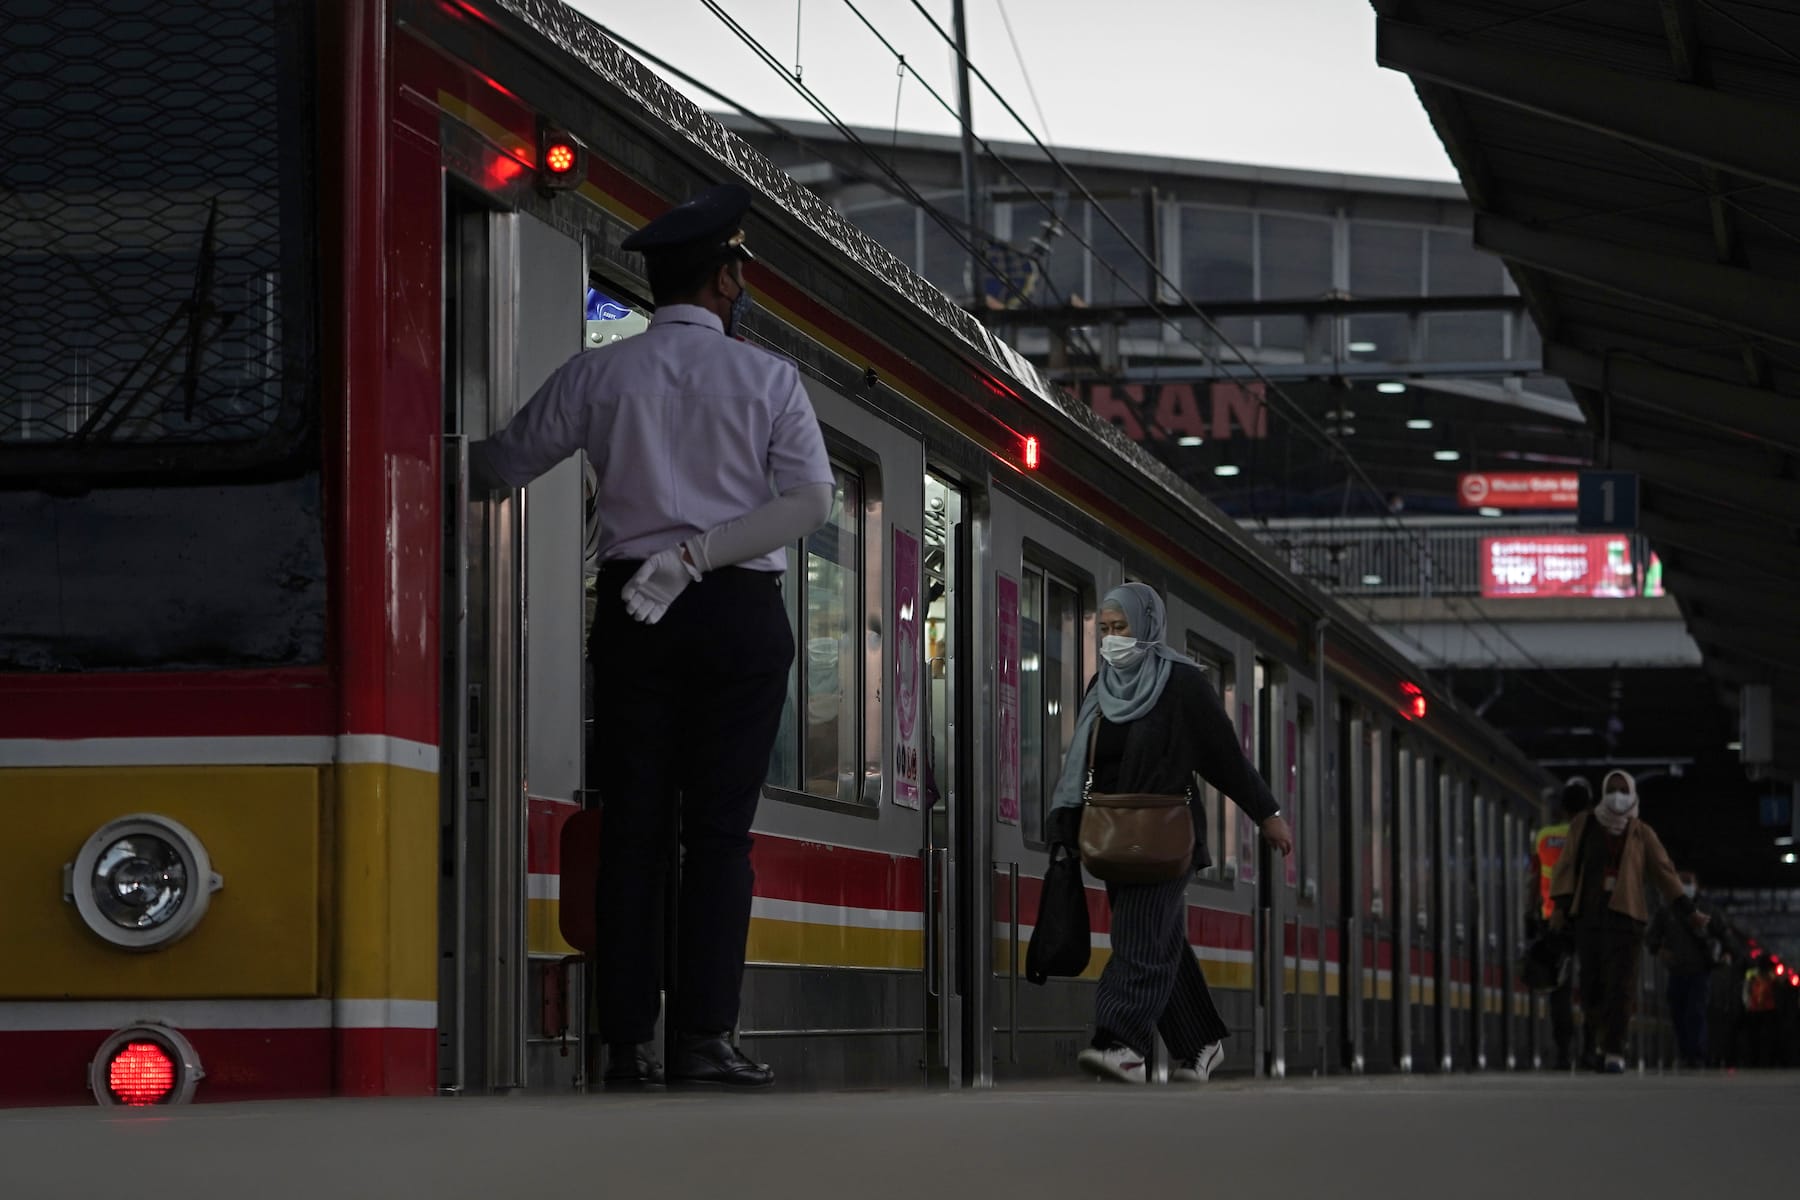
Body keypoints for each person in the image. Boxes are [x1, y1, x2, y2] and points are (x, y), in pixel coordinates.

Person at [472, 184, 835, 1089]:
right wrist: (703, 554)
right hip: (739, 610)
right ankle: (706, 1039)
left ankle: (625, 1042)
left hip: (634, 609)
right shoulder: (768, 380)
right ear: (725, 280)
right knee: (719, 835)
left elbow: (499, 466)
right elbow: (809, 503)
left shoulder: (600, 375)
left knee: (633, 825)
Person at [1045, 583, 1293, 1085]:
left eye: (1122, 628)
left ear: (1148, 625)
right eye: (1106, 630)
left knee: (1137, 936)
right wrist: (1066, 824)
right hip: (1112, 833)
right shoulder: (1103, 684)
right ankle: (1200, 1040)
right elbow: (1082, 761)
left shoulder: (1182, 683)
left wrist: (1267, 812)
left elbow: (1225, 757)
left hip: (1165, 837)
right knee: (1159, 938)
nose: (1112, 639)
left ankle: (1122, 1042)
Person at [1548, 769, 1709, 1074]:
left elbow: (1665, 873)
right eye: (1613, 788)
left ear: (1633, 793)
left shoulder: (1641, 832)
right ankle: (1595, 1042)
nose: (1618, 794)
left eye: (1624, 789)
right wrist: (1560, 907)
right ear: (1604, 791)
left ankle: (1613, 1049)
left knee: (1620, 986)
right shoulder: (1584, 825)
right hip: (1590, 917)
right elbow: (1566, 867)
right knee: (1592, 985)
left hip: (1627, 919)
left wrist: (1689, 911)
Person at [1527, 776, 1590, 1069]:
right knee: (1593, 986)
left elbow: (1533, 880)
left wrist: (1531, 913)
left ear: (1562, 808)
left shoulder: (1544, 838)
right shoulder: (1594, 836)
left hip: (1554, 921)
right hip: (1588, 922)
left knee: (1559, 989)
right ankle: (1592, 1050)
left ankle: (1564, 1051)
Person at [1645, 870, 1720, 1068]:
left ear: (1697, 885)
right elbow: (1651, 937)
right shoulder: (1666, 910)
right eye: (1682, 881)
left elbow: (1722, 934)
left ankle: (1696, 1055)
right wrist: (1660, 950)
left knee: (1695, 1012)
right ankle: (1687, 1053)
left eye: (1689, 881)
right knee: (1678, 1013)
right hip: (1676, 971)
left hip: (1699, 971)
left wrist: (1727, 954)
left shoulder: (1707, 908)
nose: (1685, 885)